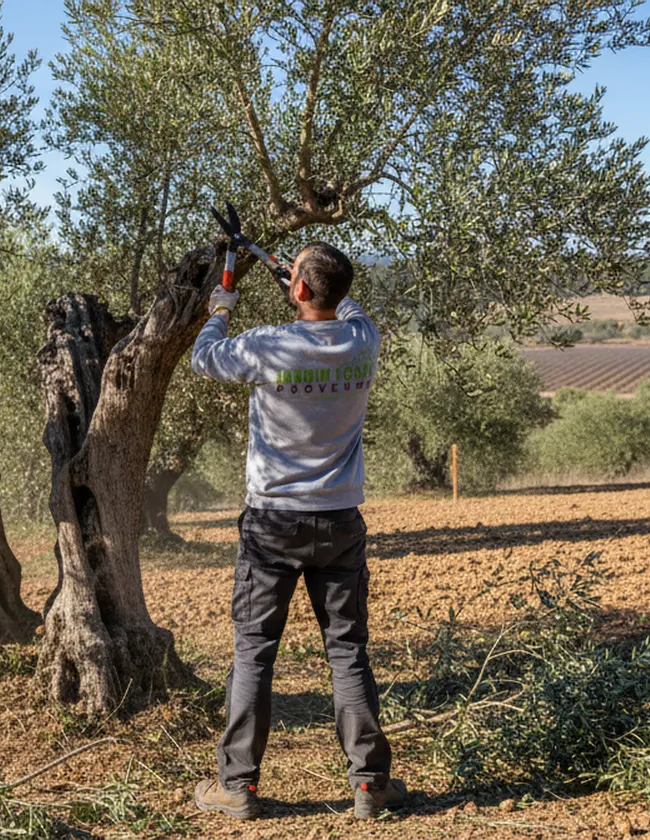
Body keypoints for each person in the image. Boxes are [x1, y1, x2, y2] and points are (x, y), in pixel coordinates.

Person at [187, 241, 403, 821]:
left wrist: (223, 304)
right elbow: (347, 305)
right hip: (339, 520)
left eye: (296, 279)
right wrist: (308, 277)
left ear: (299, 290)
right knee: (348, 651)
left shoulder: (266, 344)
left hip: (272, 522)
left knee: (255, 652)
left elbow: (204, 359)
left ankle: (237, 786)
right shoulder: (363, 341)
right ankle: (369, 786)